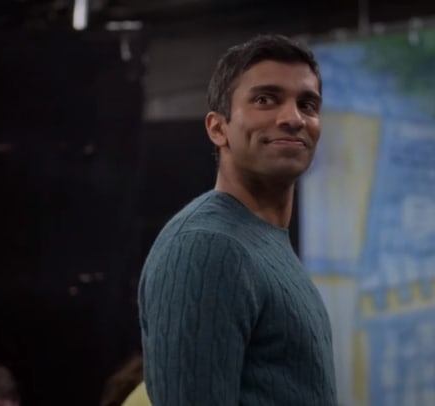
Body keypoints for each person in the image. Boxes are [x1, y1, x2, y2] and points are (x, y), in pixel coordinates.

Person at [137, 34, 337, 405]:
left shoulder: (259, 241)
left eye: (307, 104)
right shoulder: (207, 245)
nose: (293, 118)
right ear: (218, 128)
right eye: (265, 100)